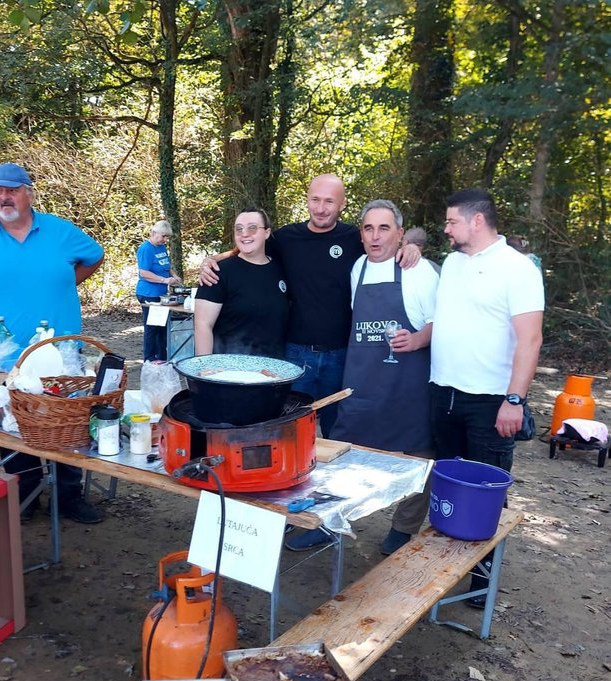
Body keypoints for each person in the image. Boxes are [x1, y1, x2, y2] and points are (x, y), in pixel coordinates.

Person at [199, 174, 420, 436]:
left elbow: (384, 242)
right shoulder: (287, 237)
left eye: (329, 201)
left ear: (342, 204)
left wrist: (410, 246)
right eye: (315, 199)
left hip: (341, 355)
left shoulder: (354, 238)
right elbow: (249, 245)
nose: (320, 208)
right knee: (289, 426)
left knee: (337, 428)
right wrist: (212, 260)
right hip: (295, 354)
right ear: (307, 200)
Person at [0, 162, 106, 524]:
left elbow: (94, 256)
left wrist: (64, 284)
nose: (4, 197)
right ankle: (26, 493)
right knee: (11, 422)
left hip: (62, 351)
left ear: (28, 192)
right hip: (2, 354)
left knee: (67, 419)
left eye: (12, 189)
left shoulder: (60, 231)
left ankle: (68, 494)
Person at [286, 200, 439, 551]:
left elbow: (439, 321)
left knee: (418, 456)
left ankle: (402, 529)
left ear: (400, 234)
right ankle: (329, 522)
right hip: (363, 381)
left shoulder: (420, 271)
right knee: (344, 452)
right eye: (369, 228)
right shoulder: (358, 268)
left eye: (384, 228)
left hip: (408, 384)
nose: (375, 236)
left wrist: (416, 339)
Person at [431, 188, 544, 605]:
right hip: (444, 391)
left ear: (476, 221)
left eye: (451, 222)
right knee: (447, 485)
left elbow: (530, 339)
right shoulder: (452, 263)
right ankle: (444, 565)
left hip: (490, 400)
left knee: (485, 491)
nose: (446, 229)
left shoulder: (518, 269)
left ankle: (481, 582)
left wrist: (514, 400)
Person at [194, 208, 288, 358]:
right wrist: (204, 367)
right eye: (239, 229)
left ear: (267, 233)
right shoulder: (216, 272)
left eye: (252, 228)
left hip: (273, 369)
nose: (245, 234)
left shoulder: (281, 269)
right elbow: (203, 325)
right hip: (229, 369)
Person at [136, 220, 182, 361]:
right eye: (163, 236)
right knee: (152, 328)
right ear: (153, 233)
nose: (164, 240)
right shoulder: (146, 249)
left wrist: (174, 276)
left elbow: (166, 266)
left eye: (166, 237)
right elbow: (144, 272)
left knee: (162, 327)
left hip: (161, 294)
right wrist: (163, 280)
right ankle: (149, 359)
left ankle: (162, 357)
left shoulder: (161, 248)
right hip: (148, 293)